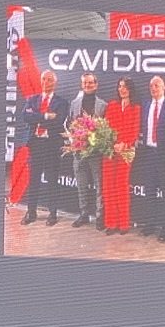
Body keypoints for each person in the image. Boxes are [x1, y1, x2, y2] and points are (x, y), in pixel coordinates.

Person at [22, 71, 64, 227]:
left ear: (55, 83)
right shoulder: (32, 100)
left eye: (50, 80)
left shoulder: (61, 102)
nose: (46, 82)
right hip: (36, 144)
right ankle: (31, 212)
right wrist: (46, 116)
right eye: (44, 79)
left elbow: (58, 121)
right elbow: (25, 116)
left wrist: (36, 116)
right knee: (34, 179)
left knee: (52, 179)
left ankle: (53, 214)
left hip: (51, 144)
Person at [134, 75, 165, 241]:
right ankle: (150, 224)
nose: (154, 88)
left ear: (164, 87)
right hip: (148, 153)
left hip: (163, 154)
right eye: (151, 86)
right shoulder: (146, 106)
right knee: (149, 191)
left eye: (157, 85)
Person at [68, 73, 107, 227]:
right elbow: (70, 124)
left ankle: (99, 217)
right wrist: (74, 138)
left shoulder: (103, 105)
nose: (87, 85)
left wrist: (95, 138)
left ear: (96, 85)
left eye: (90, 83)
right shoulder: (74, 103)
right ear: (81, 85)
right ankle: (83, 214)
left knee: (99, 185)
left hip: (96, 152)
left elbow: (105, 128)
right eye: (85, 83)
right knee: (81, 184)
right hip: (78, 151)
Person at [102, 76, 139, 234]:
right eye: (119, 86)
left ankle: (123, 223)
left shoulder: (136, 108)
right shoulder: (112, 105)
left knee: (121, 186)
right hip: (109, 151)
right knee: (108, 187)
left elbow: (135, 130)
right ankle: (111, 223)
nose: (122, 89)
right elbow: (105, 127)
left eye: (125, 86)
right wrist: (112, 145)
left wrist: (125, 144)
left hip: (126, 151)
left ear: (130, 89)